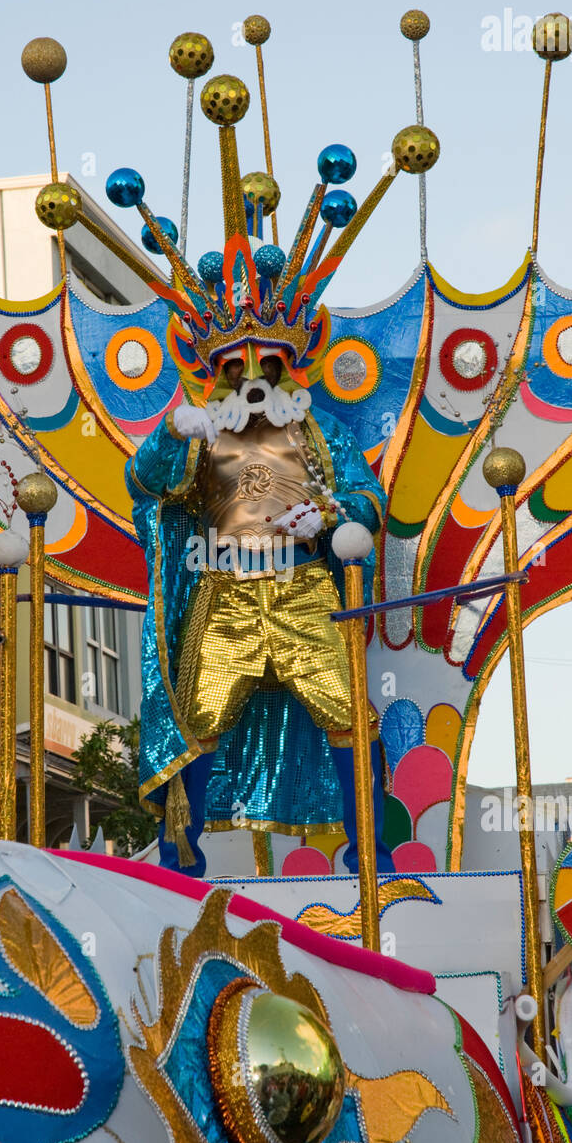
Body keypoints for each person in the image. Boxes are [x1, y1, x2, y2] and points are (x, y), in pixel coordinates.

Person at [128, 330, 395, 879]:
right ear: (215, 372)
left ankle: (371, 857)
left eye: (266, 366)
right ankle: (180, 862)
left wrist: (328, 513)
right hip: (225, 591)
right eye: (234, 369)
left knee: (350, 714)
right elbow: (145, 487)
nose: (250, 379)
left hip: (305, 589)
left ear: (289, 369)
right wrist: (169, 434)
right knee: (196, 720)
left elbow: (369, 500)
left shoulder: (322, 434)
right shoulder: (200, 437)